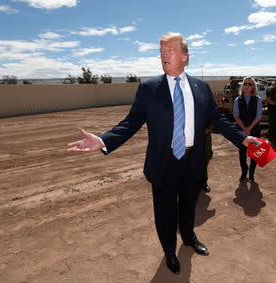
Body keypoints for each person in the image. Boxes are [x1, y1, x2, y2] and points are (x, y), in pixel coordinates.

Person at [67, 32, 259, 275]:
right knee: (165, 211)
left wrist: (242, 138)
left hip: (193, 160)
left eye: (170, 51)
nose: (164, 56)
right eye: (161, 52)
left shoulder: (201, 88)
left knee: (189, 204)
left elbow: (218, 119)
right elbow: (131, 122)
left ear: (185, 57)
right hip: (163, 162)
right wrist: (103, 140)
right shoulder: (149, 88)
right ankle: (169, 250)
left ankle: (188, 237)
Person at [234, 77, 262, 183]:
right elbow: (236, 116)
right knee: (242, 154)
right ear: (243, 86)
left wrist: (249, 128)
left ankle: (251, 174)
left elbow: (258, 116)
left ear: (253, 86)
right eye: (245, 83)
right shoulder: (238, 100)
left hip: (254, 130)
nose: (247, 85)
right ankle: (244, 172)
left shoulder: (257, 99)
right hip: (241, 131)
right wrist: (244, 129)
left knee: (254, 153)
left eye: (250, 84)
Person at [266, 78, 276, 144]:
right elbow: (269, 100)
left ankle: (273, 138)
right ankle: (272, 139)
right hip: (272, 109)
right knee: (272, 125)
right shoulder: (271, 89)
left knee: (274, 124)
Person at [201, 125, 214, 193]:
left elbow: (215, 119)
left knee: (204, 160)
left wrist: (208, 129)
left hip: (205, 136)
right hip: (191, 135)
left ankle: (204, 183)